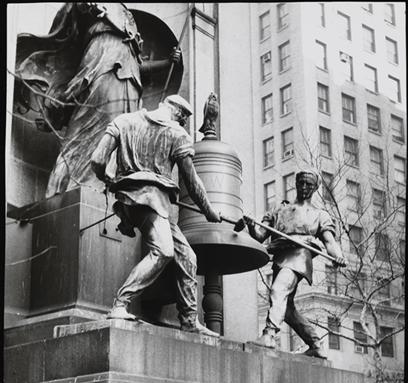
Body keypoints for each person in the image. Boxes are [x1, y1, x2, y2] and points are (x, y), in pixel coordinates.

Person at [15, 2, 181, 197]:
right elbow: (76, 10)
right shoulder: (103, 19)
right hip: (103, 67)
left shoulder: (128, 17)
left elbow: (135, 64)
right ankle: (61, 189)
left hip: (129, 85)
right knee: (84, 134)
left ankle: (103, 192)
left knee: (117, 141)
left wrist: (167, 63)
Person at [91, 94, 222, 336]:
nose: (182, 124)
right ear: (180, 115)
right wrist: (209, 211)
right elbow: (192, 182)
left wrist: (109, 179)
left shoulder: (124, 120)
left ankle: (189, 319)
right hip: (152, 202)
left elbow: (98, 160)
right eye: (183, 120)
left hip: (134, 201)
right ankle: (120, 304)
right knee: (163, 251)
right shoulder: (177, 133)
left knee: (188, 257)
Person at [245, 170, 346, 358]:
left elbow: (330, 242)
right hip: (280, 257)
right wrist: (251, 225)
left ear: (315, 188)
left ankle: (269, 335)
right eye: (301, 183)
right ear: (296, 184)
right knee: (288, 310)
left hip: (299, 256)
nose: (304, 187)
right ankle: (316, 344)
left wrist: (338, 256)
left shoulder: (319, 214)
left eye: (309, 184)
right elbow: (259, 236)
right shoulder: (279, 211)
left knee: (278, 290)